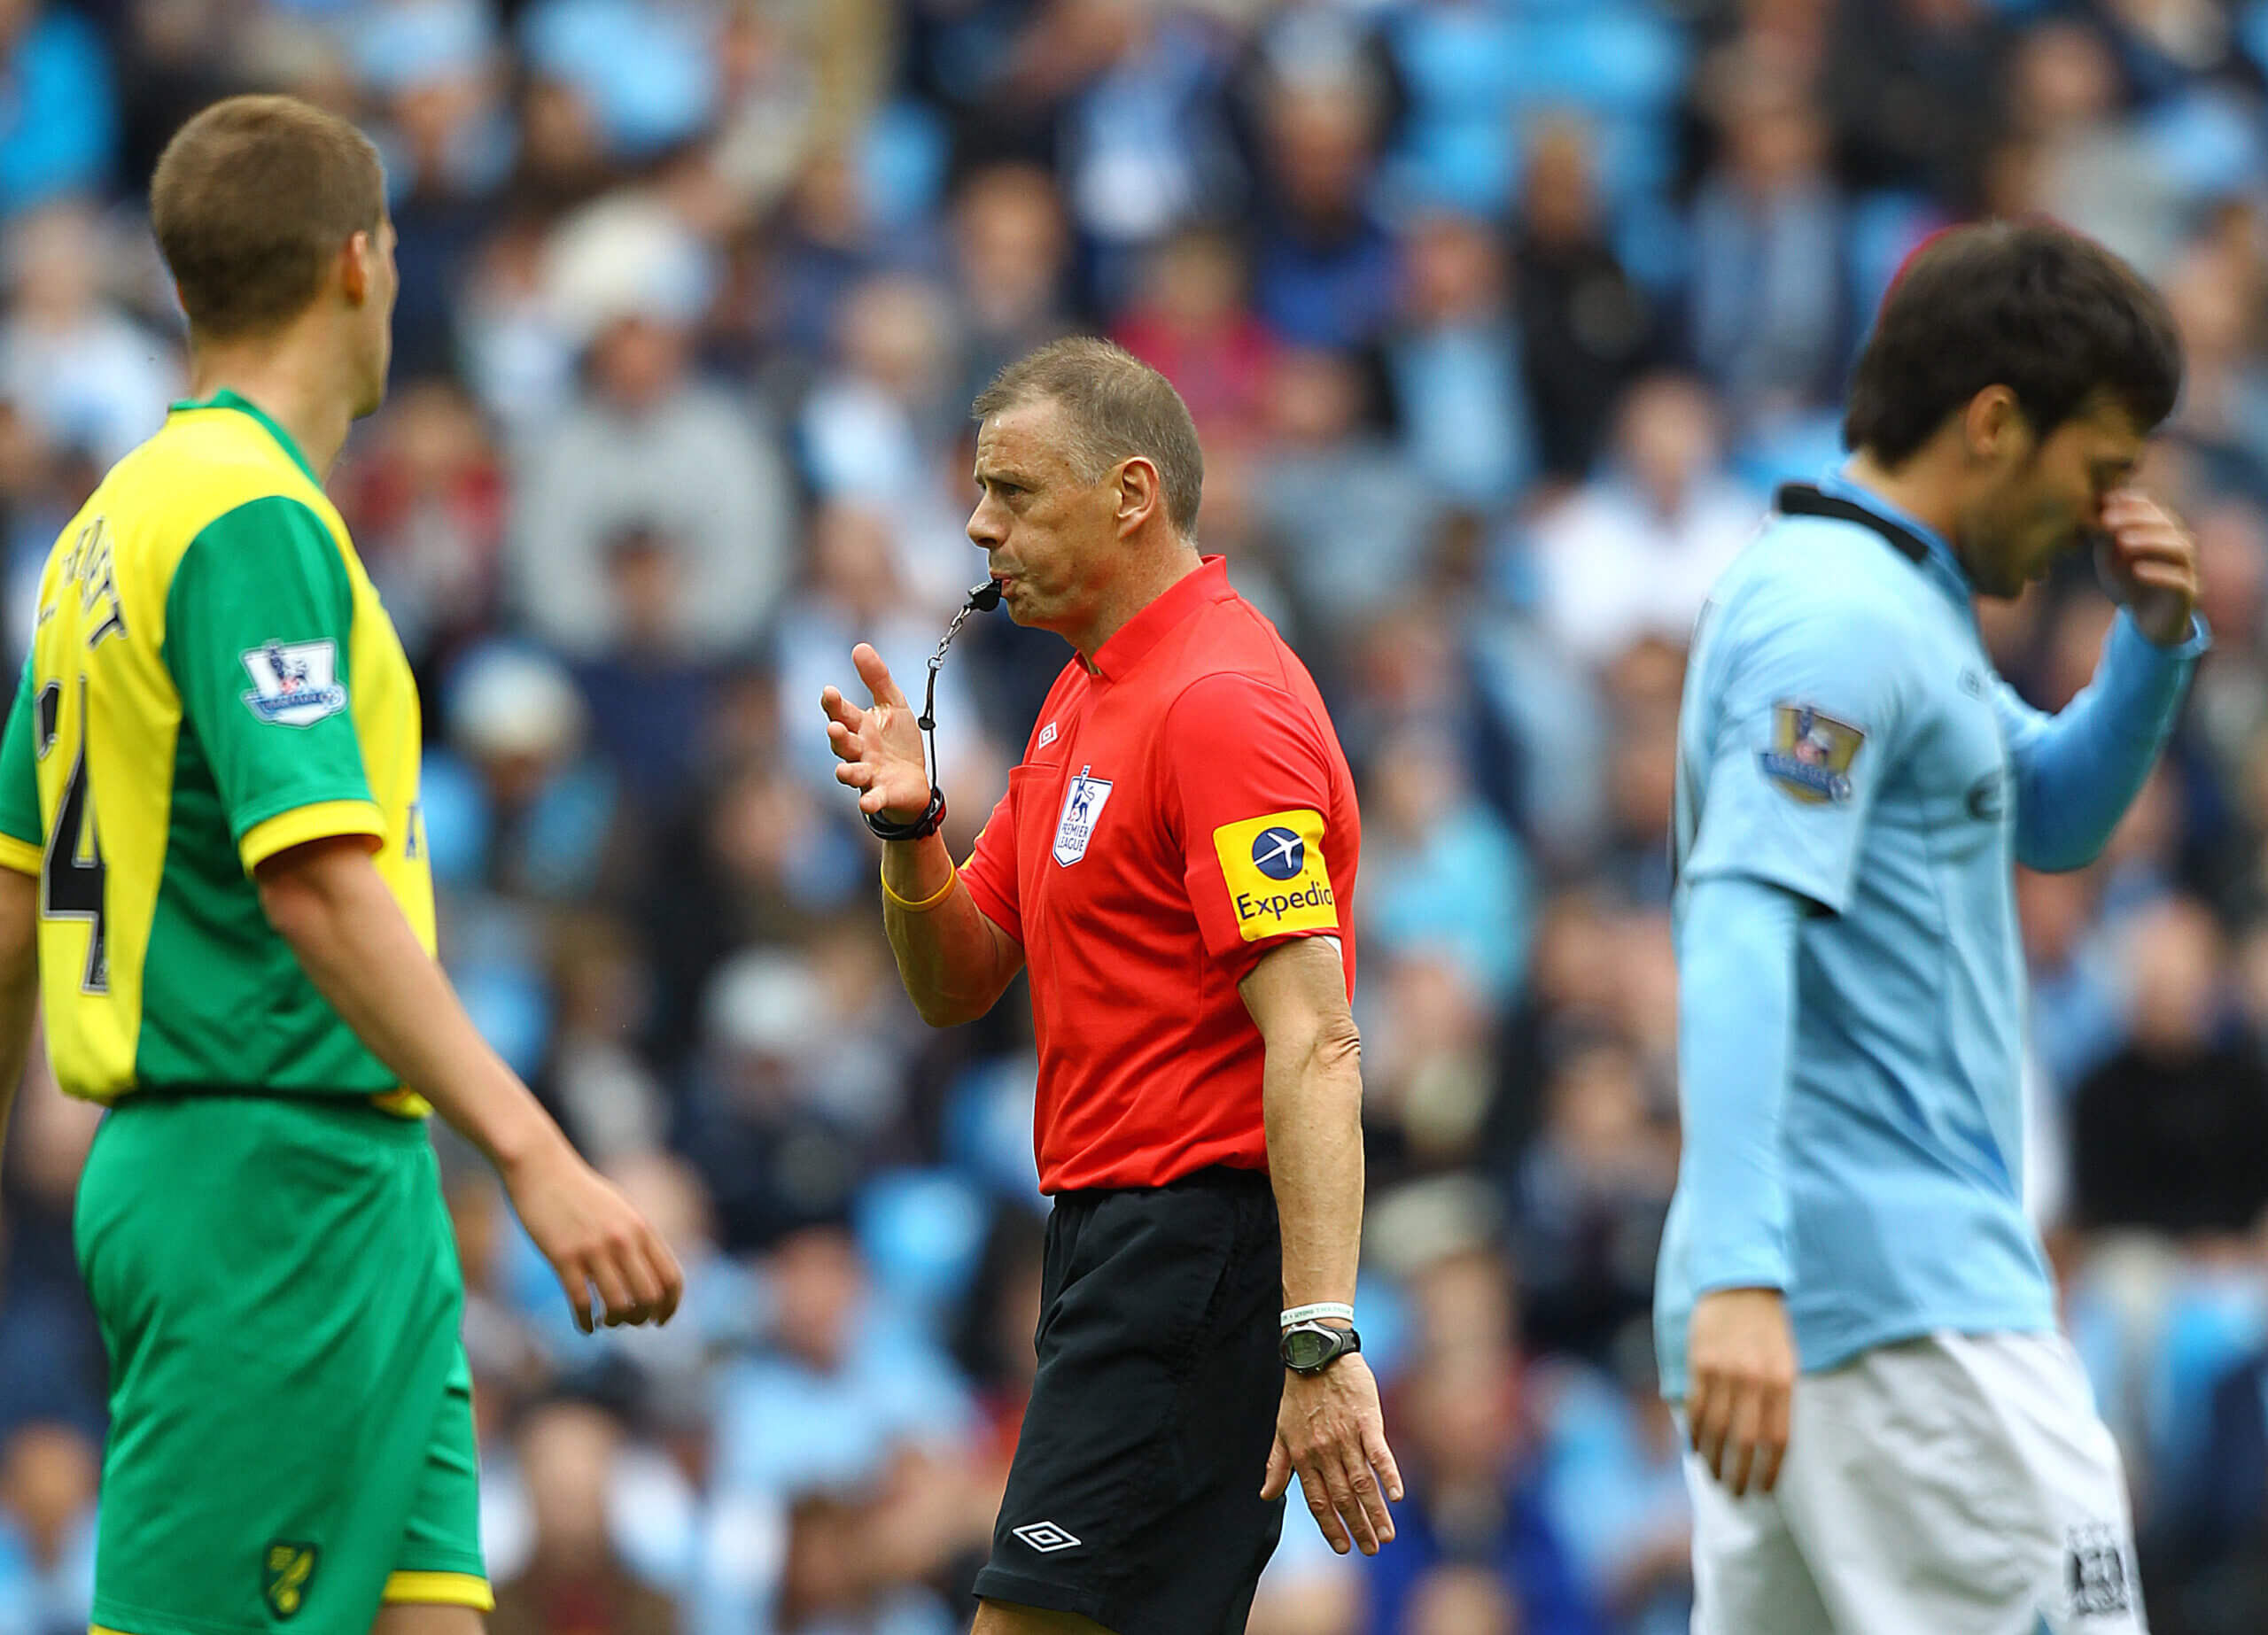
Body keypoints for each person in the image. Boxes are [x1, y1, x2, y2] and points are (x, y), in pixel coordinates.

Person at [0, 95, 683, 1635]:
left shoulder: (102, 533)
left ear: (185, 289)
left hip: (321, 1184)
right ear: (362, 265)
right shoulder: (250, 522)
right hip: (263, 1177)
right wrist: (535, 1151)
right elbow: (313, 882)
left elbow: (9, 897)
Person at [1658, 220, 2201, 1634]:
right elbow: (1738, 921)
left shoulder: (1887, 598)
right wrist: (1737, 1271)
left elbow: (2045, 813)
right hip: (1898, 1317)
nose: (2100, 512)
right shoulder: (1836, 618)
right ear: (1994, 421)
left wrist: (2145, 649)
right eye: (2098, 468)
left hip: (1829, 1309)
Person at [819, 337, 1399, 1635]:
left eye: (1013, 492)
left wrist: (1320, 1334)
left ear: (1132, 492)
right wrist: (913, 831)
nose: (978, 525)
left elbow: (1315, 1039)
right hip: (1108, 1244)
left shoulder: (1222, 706)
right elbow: (959, 977)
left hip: (1192, 1250)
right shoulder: (1082, 701)